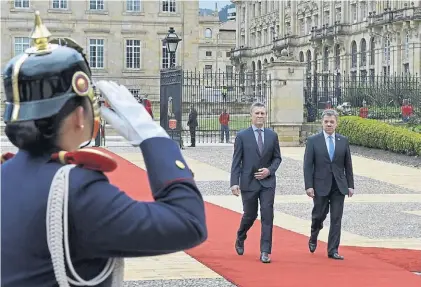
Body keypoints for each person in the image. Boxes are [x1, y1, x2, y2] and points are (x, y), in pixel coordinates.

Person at [1, 11, 207, 287]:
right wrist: (155, 139)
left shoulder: (5, 173)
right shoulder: (74, 190)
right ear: (78, 116)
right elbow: (188, 223)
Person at [230, 102, 282, 264]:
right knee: (250, 215)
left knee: (267, 215)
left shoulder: (272, 136)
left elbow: (277, 158)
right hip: (248, 182)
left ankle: (265, 251)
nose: (260, 116)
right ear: (251, 115)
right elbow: (236, 161)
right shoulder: (242, 136)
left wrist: (269, 170)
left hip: (267, 183)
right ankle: (241, 235)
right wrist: (234, 182)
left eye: (263, 113)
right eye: (257, 113)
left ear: (266, 115)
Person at [303, 109, 354, 260]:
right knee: (319, 215)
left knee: (336, 218)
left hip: (339, 185)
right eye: (326, 122)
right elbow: (308, 165)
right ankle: (314, 234)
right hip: (320, 185)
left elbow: (348, 165)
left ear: (336, 123)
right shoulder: (313, 141)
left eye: (332, 122)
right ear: (322, 123)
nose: (329, 124)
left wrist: (350, 185)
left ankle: (333, 250)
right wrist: (309, 185)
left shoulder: (343, 141)